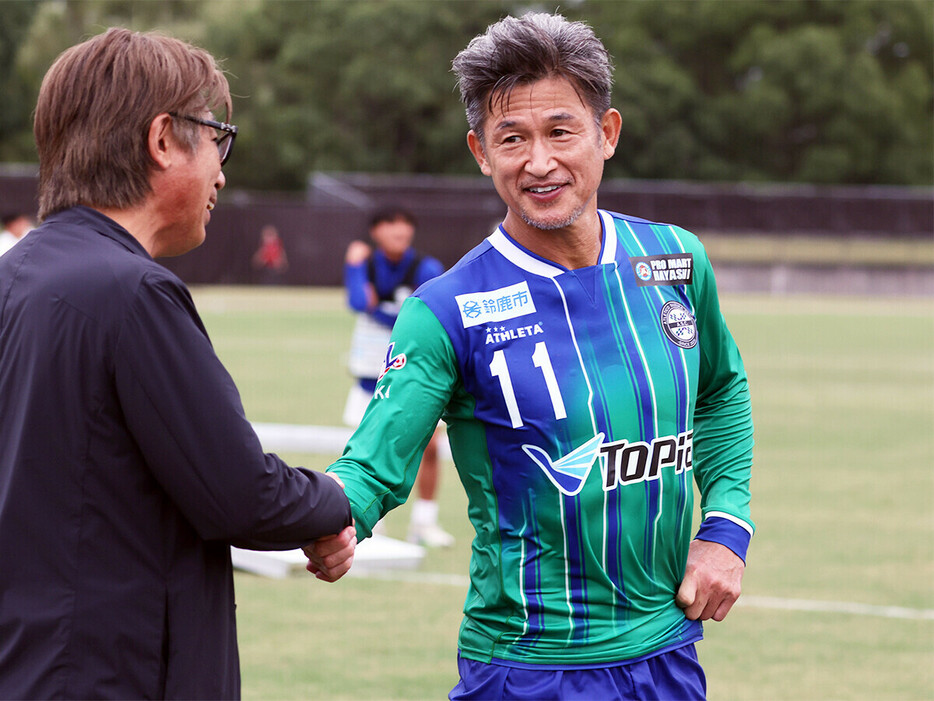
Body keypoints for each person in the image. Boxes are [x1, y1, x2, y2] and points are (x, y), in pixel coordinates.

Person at [317, 11, 754, 700]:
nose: (539, 161)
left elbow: (721, 391)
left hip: (668, 651)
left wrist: (726, 527)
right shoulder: (444, 311)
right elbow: (374, 465)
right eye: (511, 138)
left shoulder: (674, 259)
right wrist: (330, 516)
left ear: (606, 134)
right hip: (529, 668)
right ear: (480, 152)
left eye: (560, 130)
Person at [0, 28, 355, 700]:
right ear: (163, 139)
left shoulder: (15, 277)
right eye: (217, 137)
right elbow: (243, 495)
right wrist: (335, 502)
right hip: (111, 672)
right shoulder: (132, 292)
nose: (223, 169)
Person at [343, 207, 454, 547]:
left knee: (430, 447)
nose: (400, 233)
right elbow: (358, 301)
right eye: (391, 226)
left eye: (406, 227)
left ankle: (424, 522)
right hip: (369, 373)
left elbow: (423, 316)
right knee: (366, 448)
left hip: (416, 371)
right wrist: (353, 266)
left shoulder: (427, 267)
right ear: (376, 231)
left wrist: (383, 309)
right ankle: (372, 525)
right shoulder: (364, 262)